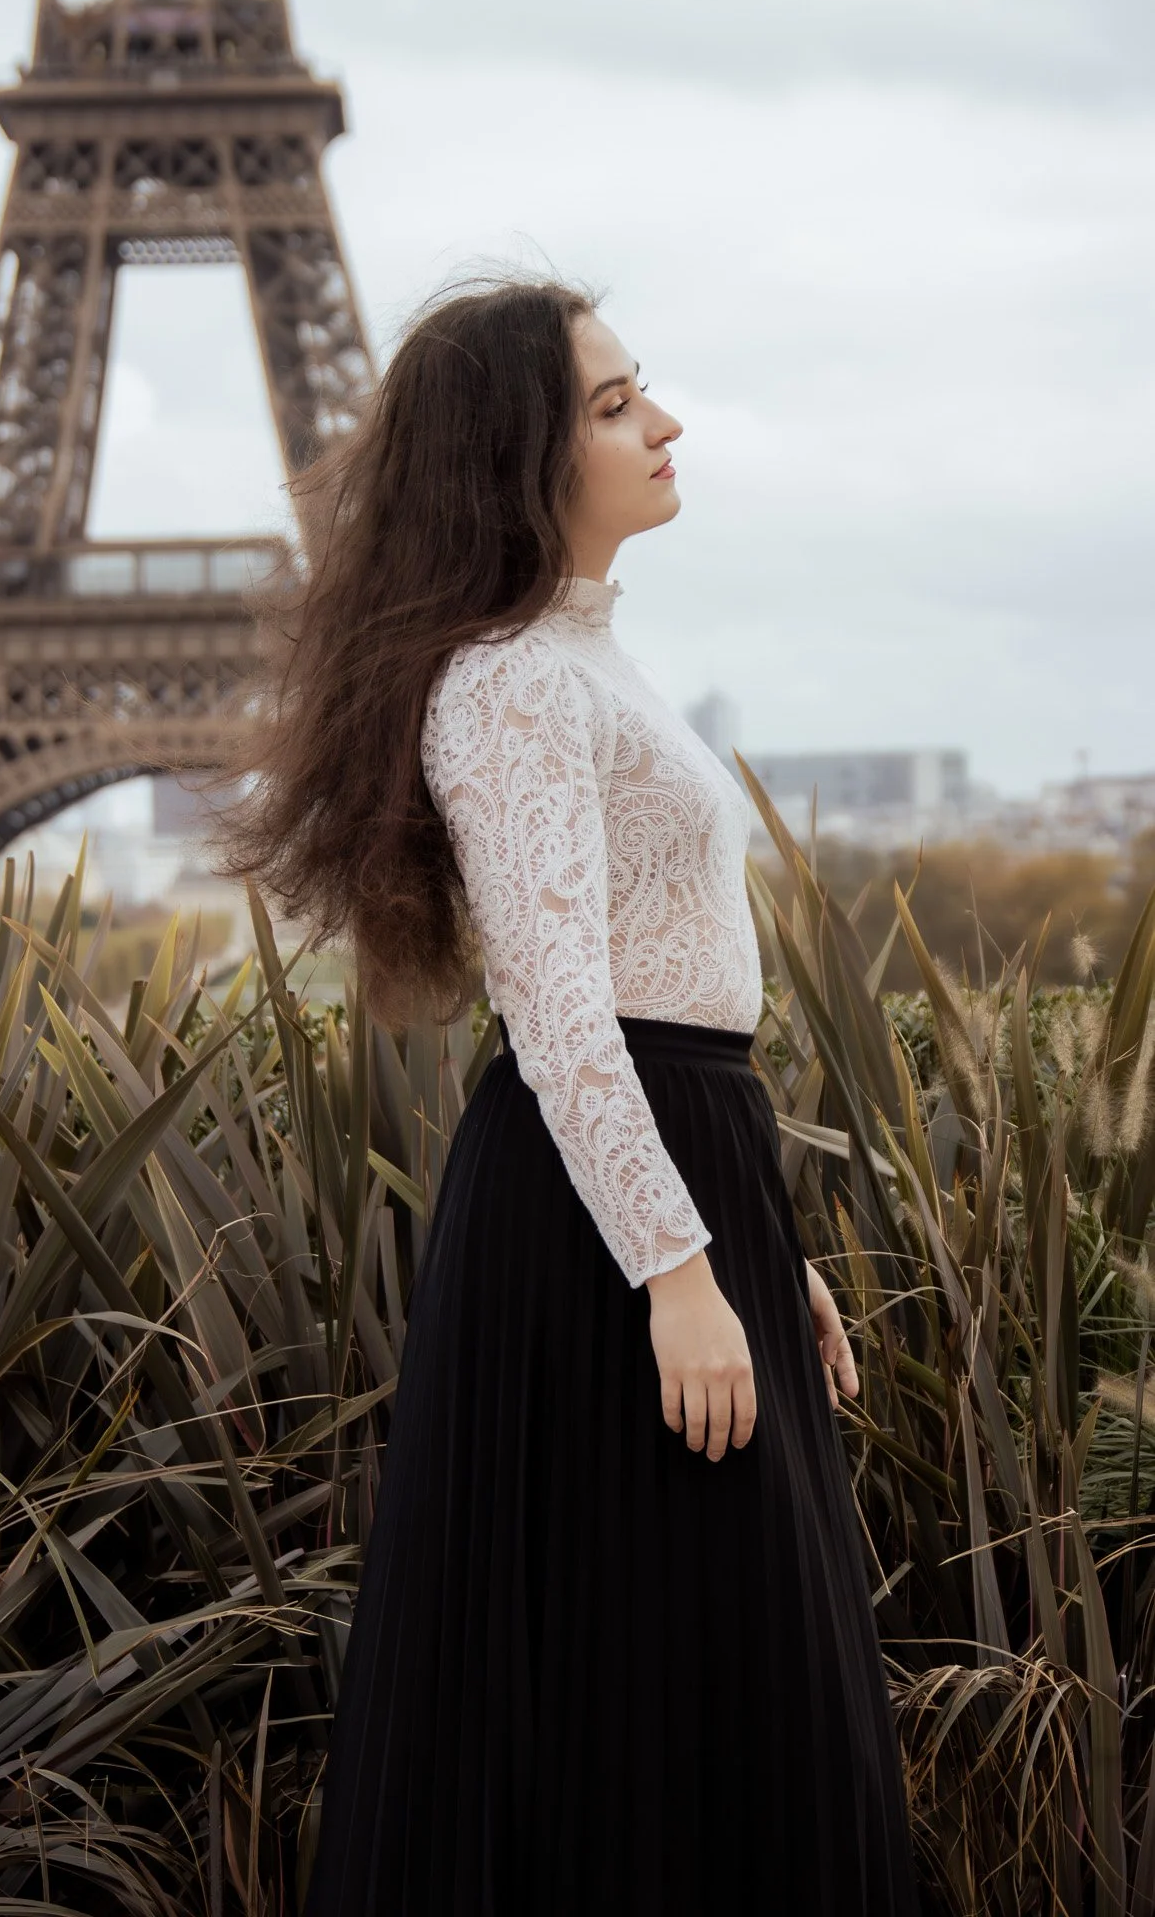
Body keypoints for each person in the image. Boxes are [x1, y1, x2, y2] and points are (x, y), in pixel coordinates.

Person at [222, 274, 920, 1913]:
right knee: (664, 1680)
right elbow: (562, 1015)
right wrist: (680, 1272)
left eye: (640, 391)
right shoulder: (518, 683)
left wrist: (757, 1251)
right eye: (612, 405)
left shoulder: (578, 661)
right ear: (517, 454)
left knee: (688, 1676)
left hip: (672, 1177)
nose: (661, 422)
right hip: (610, 1218)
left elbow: (654, 992)